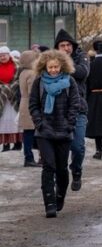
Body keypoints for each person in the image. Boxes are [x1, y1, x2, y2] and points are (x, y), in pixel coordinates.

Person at [29, 50, 80, 218]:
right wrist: (39, 123)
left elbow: (75, 104)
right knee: (48, 166)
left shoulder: (69, 81)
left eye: (56, 67)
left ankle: (60, 196)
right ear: (44, 66)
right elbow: (33, 105)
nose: (53, 70)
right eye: (50, 67)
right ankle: (49, 202)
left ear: (62, 66)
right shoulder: (39, 83)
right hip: (44, 132)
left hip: (64, 131)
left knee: (62, 168)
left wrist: (69, 124)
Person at [54, 29, 88, 192]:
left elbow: (82, 72)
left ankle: (76, 170)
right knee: (59, 148)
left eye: (68, 45)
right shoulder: (50, 61)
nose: (66, 48)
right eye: (62, 45)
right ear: (57, 47)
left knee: (77, 146)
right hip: (57, 111)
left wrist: (64, 65)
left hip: (78, 109)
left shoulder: (81, 57)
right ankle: (59, 178)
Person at [18, 50, 40, 167]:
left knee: (27, 131)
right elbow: (33, 91)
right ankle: (29, 158)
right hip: (30, 105)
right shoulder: (32, 73)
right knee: (31, 132)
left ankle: (28, 156)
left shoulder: (22, 72)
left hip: (24, 103)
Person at [0, 46, 21, 153]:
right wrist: (3, 88)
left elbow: (19, 79)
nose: (2, 57)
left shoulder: (17, 65)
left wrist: (11, 87)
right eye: (0, 56)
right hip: (2, 97)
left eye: (4, 55)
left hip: (14, 96)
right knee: (3, 121)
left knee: (15, 121)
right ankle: (5, 144)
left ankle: (18, 143)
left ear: (9, 55)